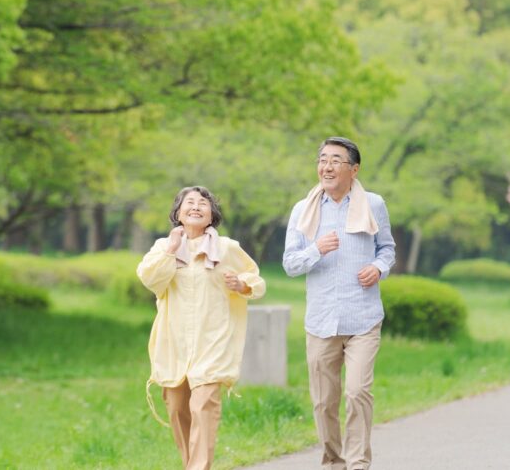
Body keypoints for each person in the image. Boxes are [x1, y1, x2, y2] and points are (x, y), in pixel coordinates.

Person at [283, 137, 396, 470]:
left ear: (354, 169)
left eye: (335, 160)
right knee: (323, 402)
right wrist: (317, 248)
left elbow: (387, 248)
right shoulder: (303, 210)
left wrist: (378, 268)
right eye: (322, 159)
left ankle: (359, 463)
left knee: (357, 391)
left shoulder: (373, 204)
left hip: (362, 317)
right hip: (321, 320)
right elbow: (290, 264)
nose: (327, 166)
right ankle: (334, 461)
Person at [137, 186, 266, 470]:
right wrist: (171, 251)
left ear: (211, 216)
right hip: (174, 342)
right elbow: (149, 278)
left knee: (204, 405)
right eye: (189, 203)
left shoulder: (227, 248)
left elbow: (256, 280)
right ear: (178, 213)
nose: (196, 207)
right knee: (177, 408)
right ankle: (190, 465)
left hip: (213, 341)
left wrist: (241, 284)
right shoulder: (163, 246)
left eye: (203, 203)